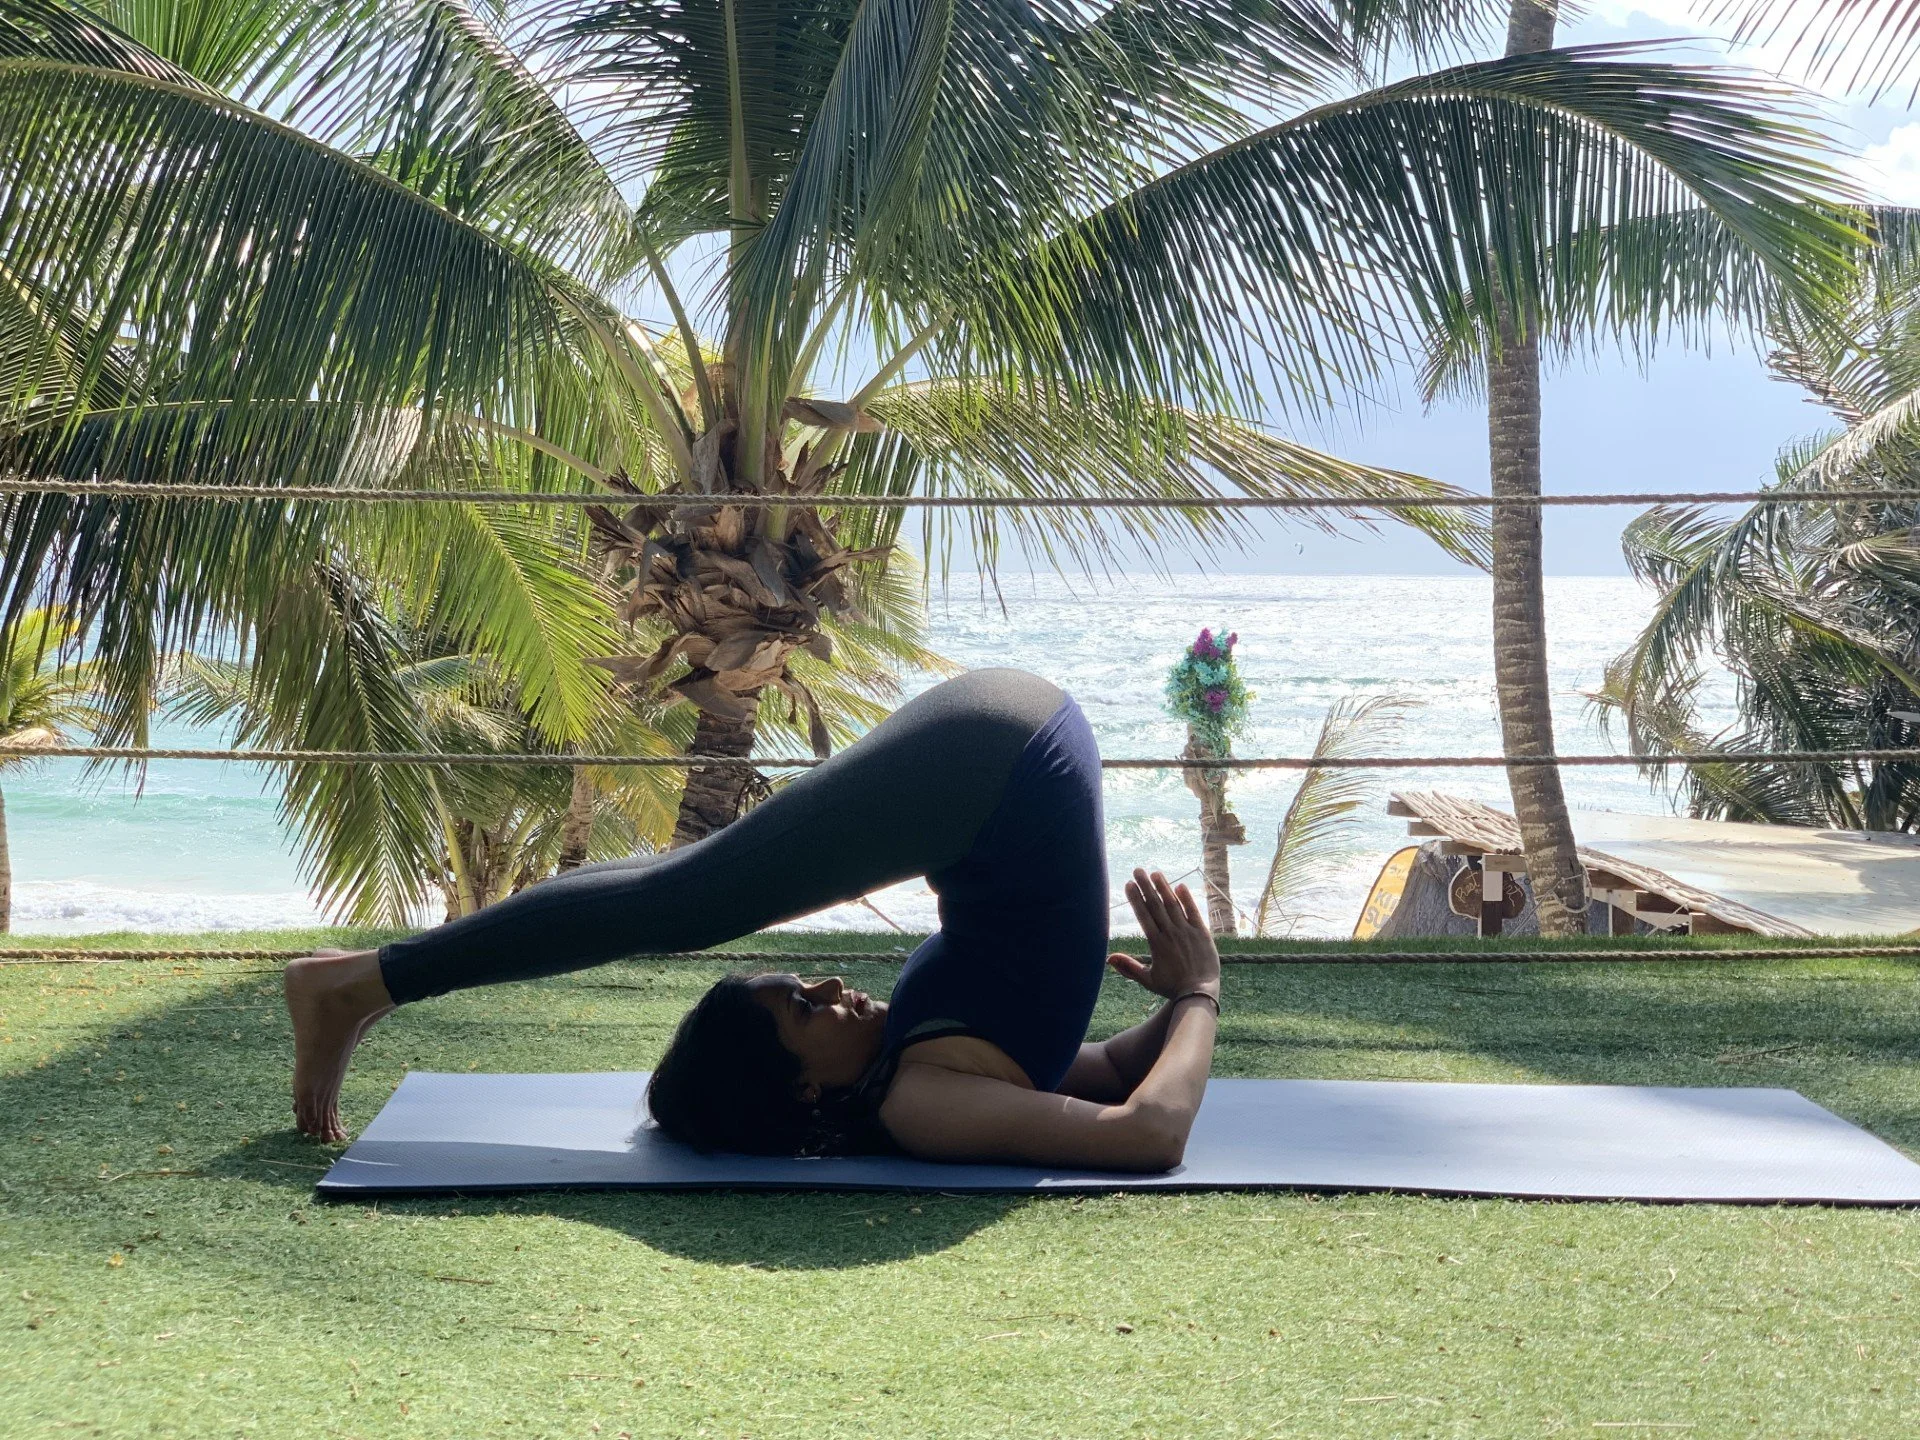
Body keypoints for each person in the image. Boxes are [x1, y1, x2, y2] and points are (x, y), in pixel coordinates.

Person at [284, 668, 1222, 1170]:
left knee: (686, 889)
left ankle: (365, 978)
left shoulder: (915, 1078)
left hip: (1000, 761)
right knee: (683, 892)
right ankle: (360, 979)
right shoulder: (922, 1101)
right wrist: (1193, 998)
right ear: (804, 1094)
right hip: (1002, 760)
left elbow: (1122, 1104)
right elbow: (1134, 1114)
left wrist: (1195, 1003)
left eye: (804, 989)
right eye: (805, 1009)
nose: (829, 986)